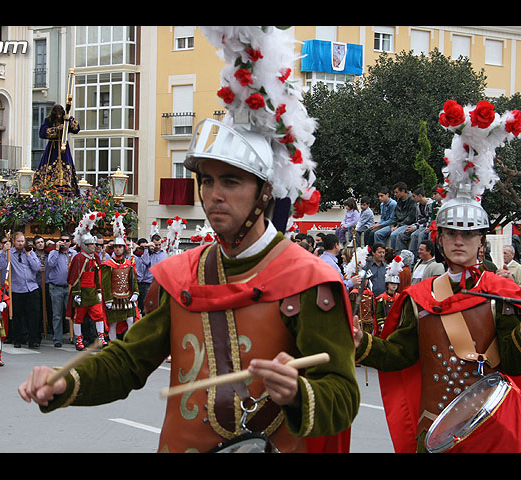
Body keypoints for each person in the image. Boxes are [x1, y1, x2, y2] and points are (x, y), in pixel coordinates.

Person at [19, 25, 359, 453]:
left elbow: (344, 396)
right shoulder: (178, 276)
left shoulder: (308, 281)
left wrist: (299, 393)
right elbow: (128, 361)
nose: (214, 195)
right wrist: (67, 382)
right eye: (207, 180)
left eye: (231, 181)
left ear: (265, 192)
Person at [354, 100, 521, 453]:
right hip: (434, 435)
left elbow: (517, 362)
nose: (459, 241)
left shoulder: (504, 295)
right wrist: (360, 344)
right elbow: (400, 355)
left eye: (468, 234)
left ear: (480, 240)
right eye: (451, 234)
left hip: (492, 431)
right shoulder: (419, 297)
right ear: (440, 239)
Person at [0, 231, 42, 349]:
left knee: (34, 315)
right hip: (16, 288)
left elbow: (37, 267)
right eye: (18, 241)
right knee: (17, 316)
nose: (21, 243)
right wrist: (3, 252)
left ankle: (33, 339)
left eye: (22, 241)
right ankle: (18, 338)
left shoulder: (30, 252)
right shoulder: (9, 253)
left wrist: (28, 255)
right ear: (14, 242)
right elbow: (1, 266)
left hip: (31, 287)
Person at [67, 215, 106, 350]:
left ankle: (101, 337)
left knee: (99, 315)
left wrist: (99, 291)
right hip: (81, 292)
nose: (94, 246)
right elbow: (75, 278)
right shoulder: (78, 258)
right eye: (91, 244)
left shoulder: (95, 257)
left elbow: (97, 276)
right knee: (78, 317)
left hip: (93, 291)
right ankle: (78, 340)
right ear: (85, 245)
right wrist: (76, 294)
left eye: (94, 244)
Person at [31, 104, 81, 196]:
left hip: (64, 147)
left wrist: (69, 119)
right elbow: (42, 133)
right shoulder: (48, 121)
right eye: (56, 114)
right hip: (52, 147)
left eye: (60, 114)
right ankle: (48, 185)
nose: (58, 116)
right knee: (49, 166)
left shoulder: (66, 121)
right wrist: (56, 129)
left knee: (65, 166)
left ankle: (66, 186)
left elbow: (76, 129)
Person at [46, 232, 76, 348]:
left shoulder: (73, 253)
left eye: (67, 240)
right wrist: (57, 250)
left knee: (72, 313)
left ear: (70, 242)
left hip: (70, 287)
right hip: (56, 287)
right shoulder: (53, 253)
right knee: (57, 314)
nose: (64, 242)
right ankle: (57, 338)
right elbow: (51, 264)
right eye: (62, 240)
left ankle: (74, 336)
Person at [374, 182, 417, 248]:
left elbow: (410, 218)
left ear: (403, 191)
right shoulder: (399, 200)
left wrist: (398, 226)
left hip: (406, 224)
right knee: (378, 234)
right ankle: (381, 252)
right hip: (396, 224)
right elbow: (395, 216)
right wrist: (393, 225)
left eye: (396, 192)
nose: (395, 194)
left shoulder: (412, 200)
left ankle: (393, 254)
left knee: (394, 235)